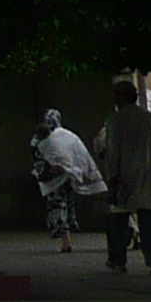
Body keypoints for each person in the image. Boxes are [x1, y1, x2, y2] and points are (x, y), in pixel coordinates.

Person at [100, 81, 151, 275]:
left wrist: (112, 178)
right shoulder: (150, 119)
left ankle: (117, 260)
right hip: (148, 175)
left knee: (118, 220)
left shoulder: (117, 120)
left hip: (125, 176)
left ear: (119, 97)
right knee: (149, 219)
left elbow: (113, 152)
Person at [31, 107, 107, 253]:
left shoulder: (39, 138)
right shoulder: (69, 136)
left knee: (58, 205)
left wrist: (47, 169)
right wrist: (77, 169)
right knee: (68, 203)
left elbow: (37, 157)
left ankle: (65, 240)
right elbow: (80, 155)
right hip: (70, 174)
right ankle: (67, 238)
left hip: (54, 178)